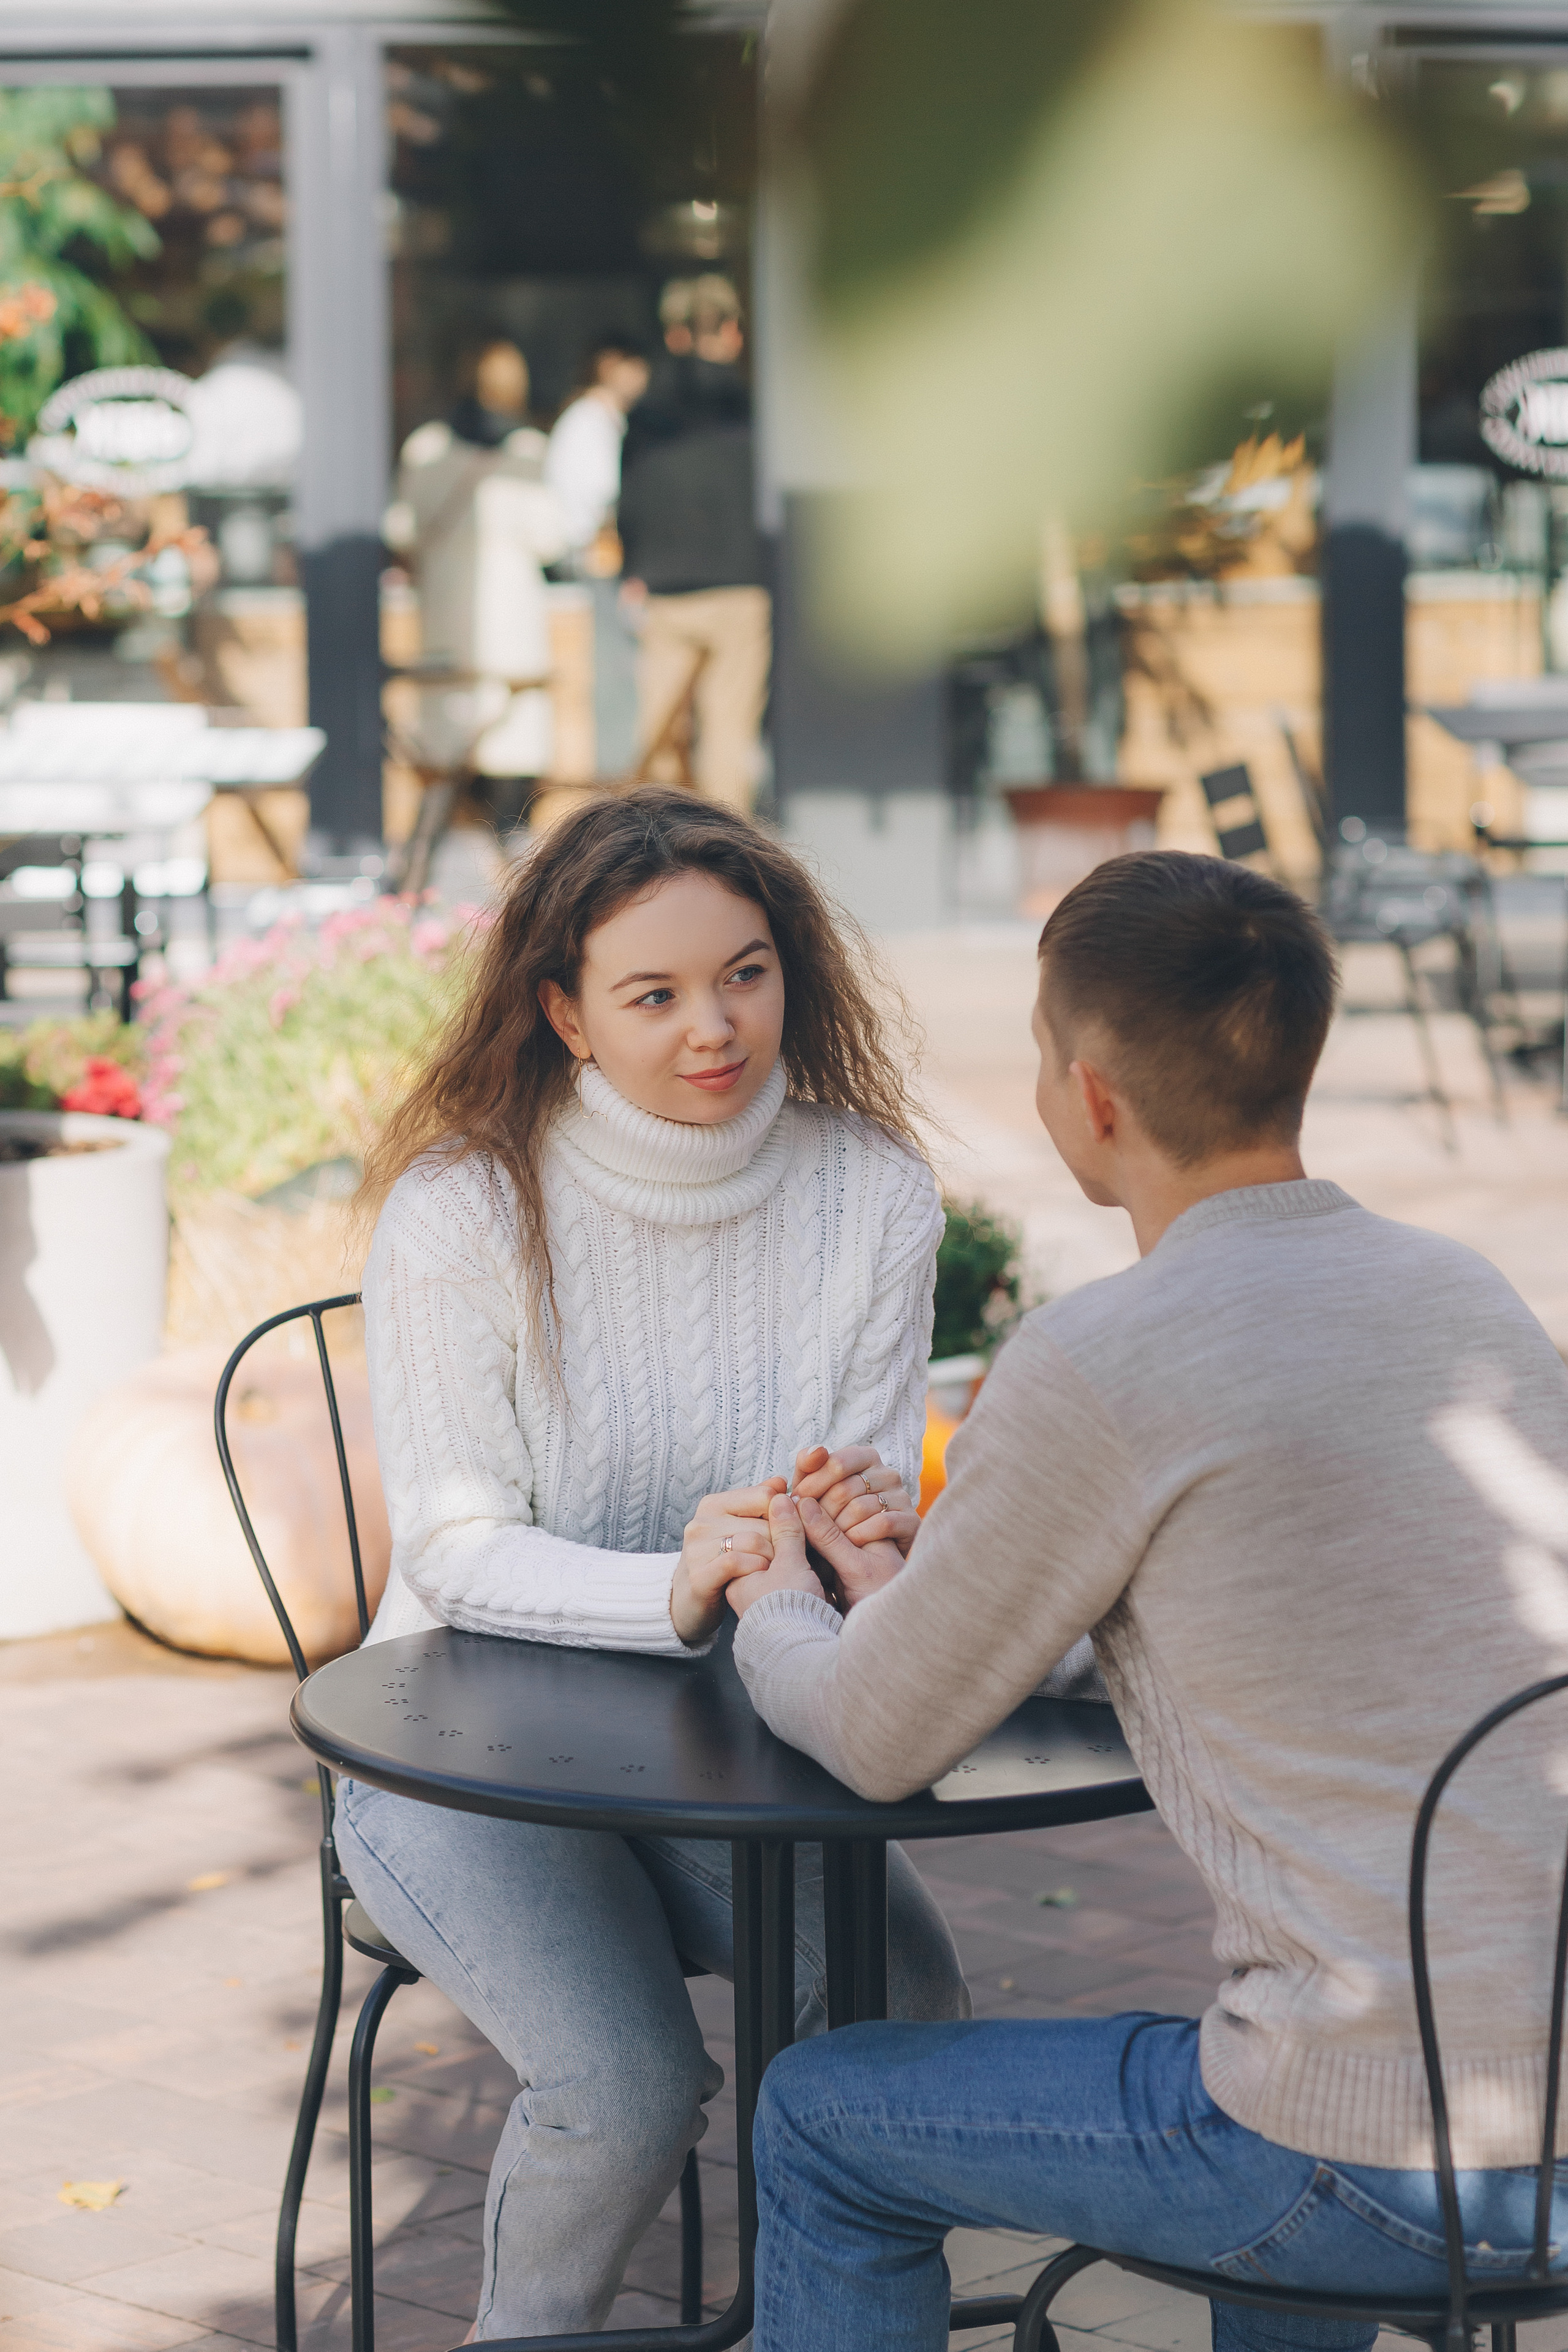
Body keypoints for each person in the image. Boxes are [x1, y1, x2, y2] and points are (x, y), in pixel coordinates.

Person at [723, 850, 1568, 2352]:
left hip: (1362, 2154)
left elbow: (872, 1738)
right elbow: (1270, 1602)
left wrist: (774, 1598)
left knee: (816, 2114)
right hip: (1545, 2130)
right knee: (1280, 2063)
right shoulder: (1463, 1296)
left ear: (1090, 1095)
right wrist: (922, 1594)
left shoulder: (1100, 1356)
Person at [337, 787, 968, 2340]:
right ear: (564, 1011)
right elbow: (454, 1544)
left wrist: (861, 1538)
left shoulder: (869, 1190)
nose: (714, 1026)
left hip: (732, 1741)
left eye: (745, 973)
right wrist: (671, 1588)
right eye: (655, 993)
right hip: (457, 1751)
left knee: (905, 2009)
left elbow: (842, 1503)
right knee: (621, 2084)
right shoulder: (462, 1210)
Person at [391, 340, 569, 841]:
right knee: (512, 756)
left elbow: (403, 530)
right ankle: (508, 860)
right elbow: (550, 538)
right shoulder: (529, 450)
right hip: (514, 625)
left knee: (449, 765)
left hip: (448, 624)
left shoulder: (427, 448)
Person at [617, 274, 771, 814]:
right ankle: (724, 847)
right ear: (732, 332)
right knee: (728, 732)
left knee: (660, 730)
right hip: (739, 584)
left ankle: (656, 844)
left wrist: (633, 568)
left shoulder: (646, 414)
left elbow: (629, 501)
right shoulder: (754, 408)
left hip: (665, 587)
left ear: (673, 335)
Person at [544, 339, 652, 776]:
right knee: (612, 669)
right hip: (593, 558)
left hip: (603, 557)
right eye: (634, 365)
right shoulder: (588, 421)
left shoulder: (606, 420)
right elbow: (604, 498)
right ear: (609, 366)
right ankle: (617, 777)